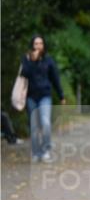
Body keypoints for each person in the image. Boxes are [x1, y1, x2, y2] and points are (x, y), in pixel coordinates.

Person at [20, 35, 65, 163]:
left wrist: (61, 95)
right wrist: (31, 61)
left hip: (45, 96)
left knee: (45, 123)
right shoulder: (26, 59)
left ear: (43, 45)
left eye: (40, 43)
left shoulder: (49, 60)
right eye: (36, 44)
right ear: (32, 45)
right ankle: (36, 152)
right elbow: (24, 74)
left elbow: (55, 78)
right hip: (31, 97)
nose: (38, 46)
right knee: (34, 126)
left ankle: (45, 150)